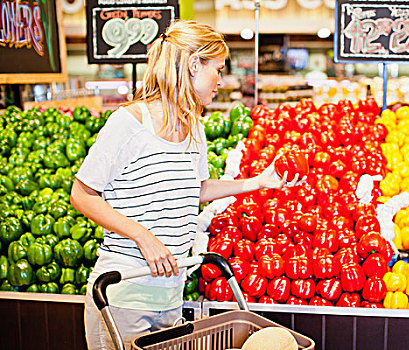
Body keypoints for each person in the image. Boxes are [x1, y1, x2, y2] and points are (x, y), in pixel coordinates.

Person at [71, 20, 301, 350]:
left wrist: (259, 182)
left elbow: (198, 188)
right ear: (194, 64)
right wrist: (142, 236)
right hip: (121, 297)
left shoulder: (193, 126)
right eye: (217, 69)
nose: (221, 81)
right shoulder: (129, 123)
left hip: (169, 297)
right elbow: (82, 193)